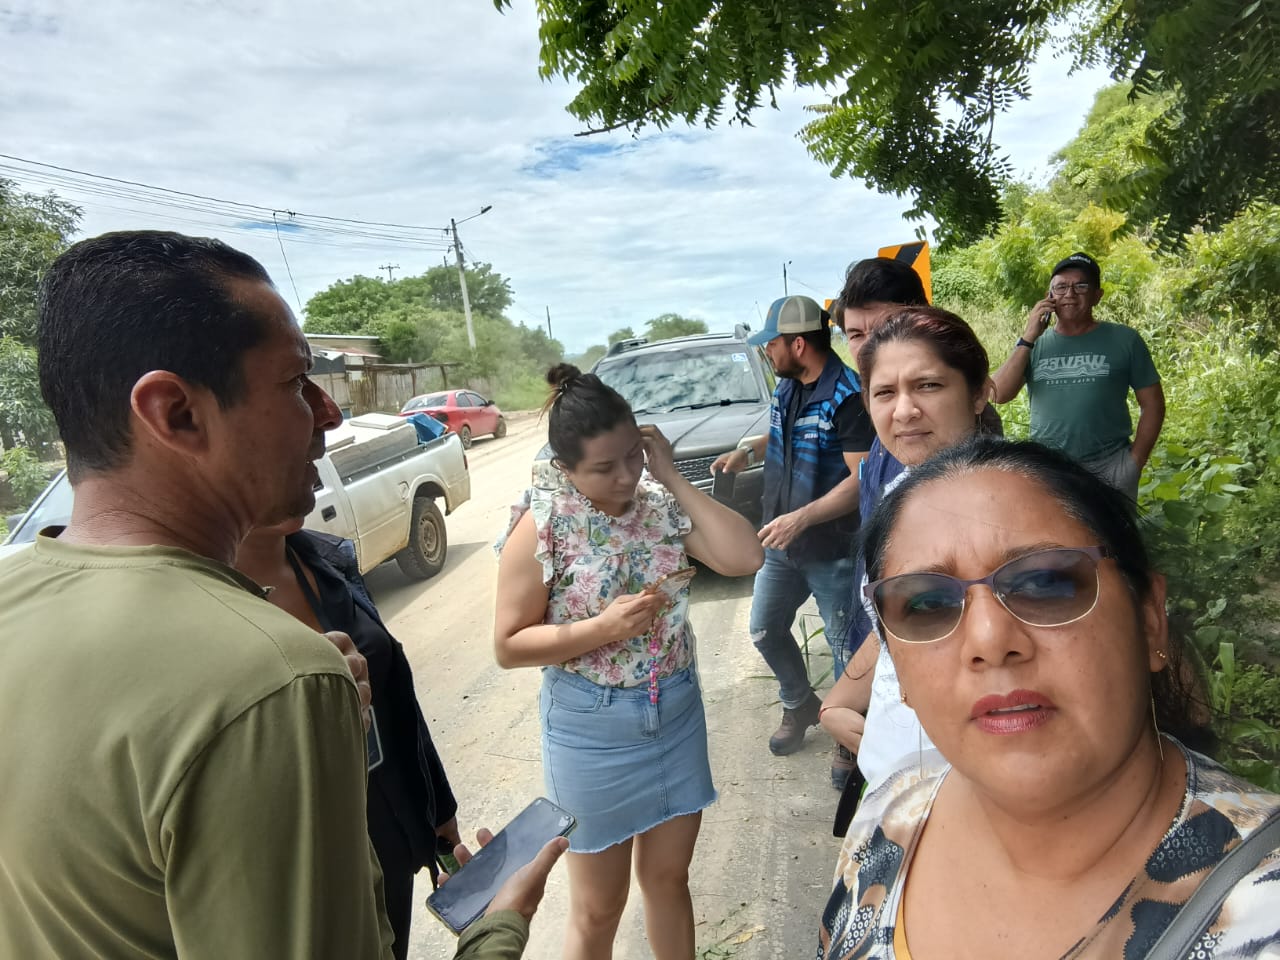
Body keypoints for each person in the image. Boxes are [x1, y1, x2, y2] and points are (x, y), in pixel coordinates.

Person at [0, 231, 394, 958]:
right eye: (295, 381)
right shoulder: (270, 679)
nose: (329, 413)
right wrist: (495, 933)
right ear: (176, 412)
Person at [818, 437, 1280, 959]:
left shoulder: (1264, 909)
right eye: (926, 604)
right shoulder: (886, 818)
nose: (990, 640)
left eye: (1045, 582)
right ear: (896, 666)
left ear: (1150, 618)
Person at [494, 364, 763, 960]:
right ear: (566, 467)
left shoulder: (658, 504)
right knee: (598, 909)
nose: (624, 477)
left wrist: (670, 475)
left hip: (675, 711)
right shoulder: (544, 524)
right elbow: (509, 645)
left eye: (632, 457)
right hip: (592, 731)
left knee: (669, 880)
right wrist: (601, 629)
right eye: (603, 468)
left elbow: (745, 557)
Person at [236, 520, 461, 960]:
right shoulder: (204, 605)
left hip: (391, 833)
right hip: (320, 867)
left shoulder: (324, 557)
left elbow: (394, 690)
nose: (316, 485)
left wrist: (439, 807)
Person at [820, 306, 994, 793]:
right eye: (884, 393)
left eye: (928, 386)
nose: (903, 411)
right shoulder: (901, 492)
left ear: (979, 393)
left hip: (970, 773)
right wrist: (841, 697)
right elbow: (899, 618)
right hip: (896, 758)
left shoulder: (1014, 510)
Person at [712, 295, 874, 764]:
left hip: (832, 549)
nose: (768, 351)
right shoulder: (789, 386)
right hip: (781, 544)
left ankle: (850, 738)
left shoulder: (849, 397)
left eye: (772, 343)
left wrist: (802, 517)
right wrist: (749, 450)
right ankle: (800, 703)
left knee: (845, 647)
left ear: (798, 344)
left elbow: (861, 478)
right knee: (764, 629)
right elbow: (787, 430)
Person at [990, 252, 1165, 500]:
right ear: (1049, 296)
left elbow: (1153, 404)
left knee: (1111, 528)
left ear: (1097, 295)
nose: (1069, 294)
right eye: (1061, 287)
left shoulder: (1125, 340)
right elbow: (998, 393)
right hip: (1050, 470)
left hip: (1110, 466)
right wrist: (1028, 337)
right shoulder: (1034, 344)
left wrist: (1135, 461)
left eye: (1081, 286)